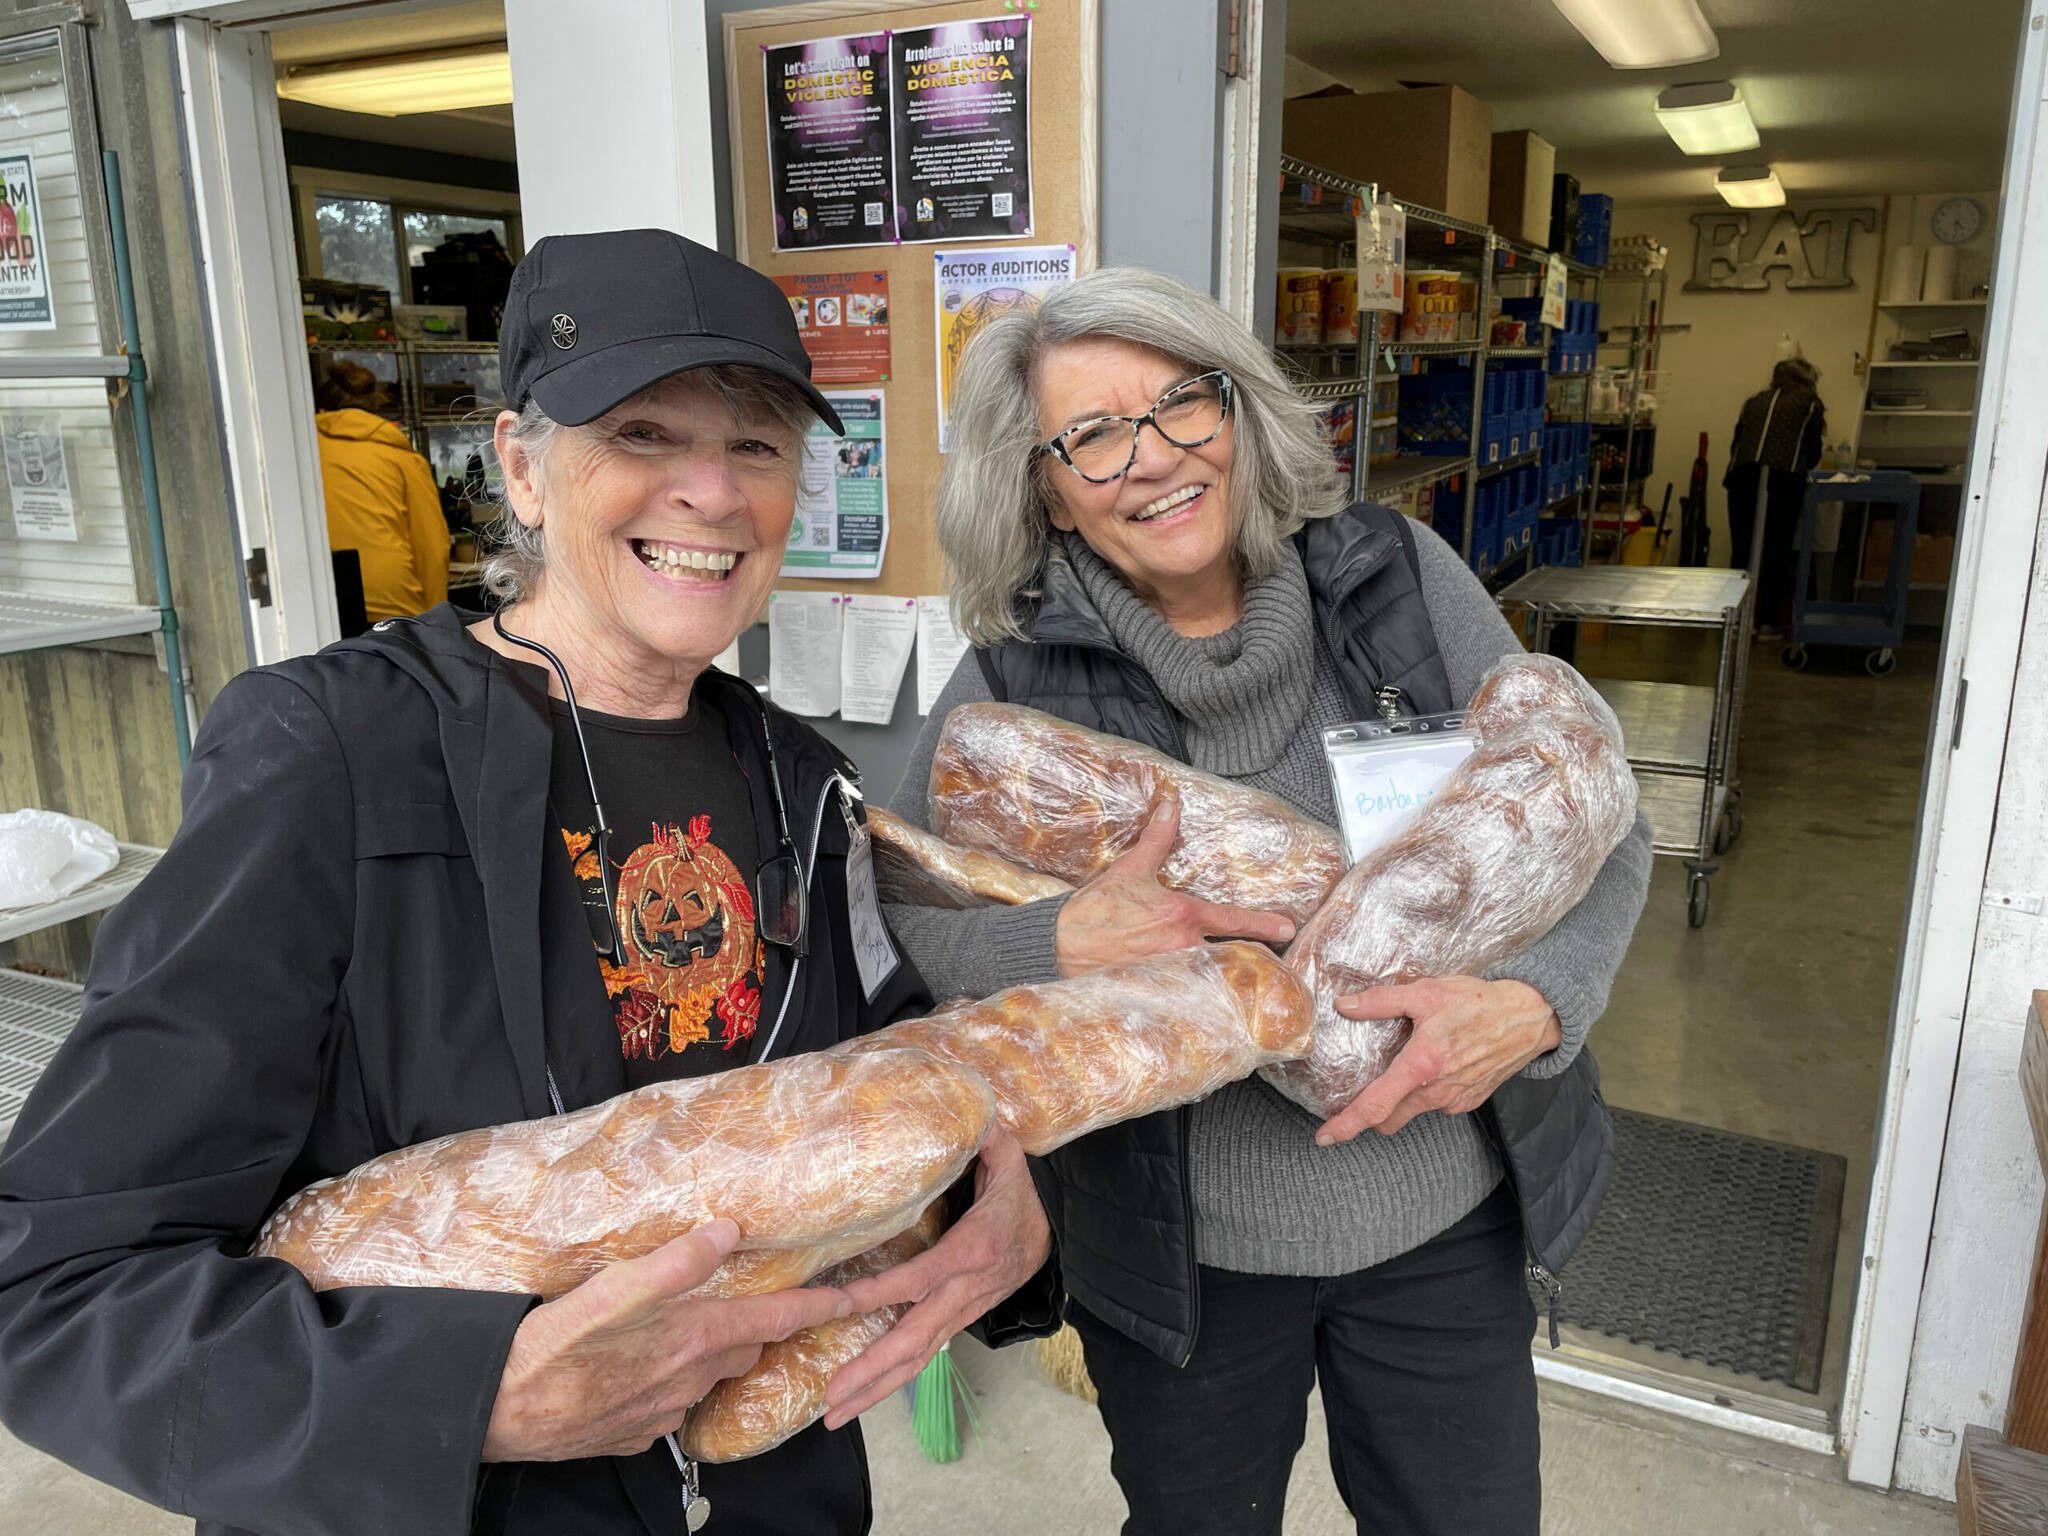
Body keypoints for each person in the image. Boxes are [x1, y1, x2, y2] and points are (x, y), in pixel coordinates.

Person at [0, 229, 1054, 1536]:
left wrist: (1003, 1200)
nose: (712, 493)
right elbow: (58, 1284)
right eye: (642, 434)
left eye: (757, 445)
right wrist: (464, 1400)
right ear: (521, 466)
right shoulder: (333, 753)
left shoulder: (802, 780)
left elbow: (886, 1079)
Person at [884, 266, 1655, 1536]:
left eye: (1182, 403)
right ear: (1047, 488)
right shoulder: (1011, 689)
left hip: (1443, 1225)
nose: (1153, 456)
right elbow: (902, 919)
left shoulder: (1396, 585)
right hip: (1183, 1265)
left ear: (1238, 411)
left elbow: (1594, 814)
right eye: (1094, 434)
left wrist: (1535, 1005)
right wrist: (1057, 938)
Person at [313, 360, 451, 625]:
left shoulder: (304, 454)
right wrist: (434, 623)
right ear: (374, 412)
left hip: (321, 602)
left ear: (321, 411)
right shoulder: (401, 458)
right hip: (391, 601)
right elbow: (431, 547)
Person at [1723, 355, 1826, 639]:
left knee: (1742, 553)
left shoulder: (1754, 402)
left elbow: (1737, 444)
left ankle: (1735, 622)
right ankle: (1767, 623)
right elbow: (1812, 452)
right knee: (1776, 554)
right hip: (1784, 480)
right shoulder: (1810, 404)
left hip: (1742, 478)